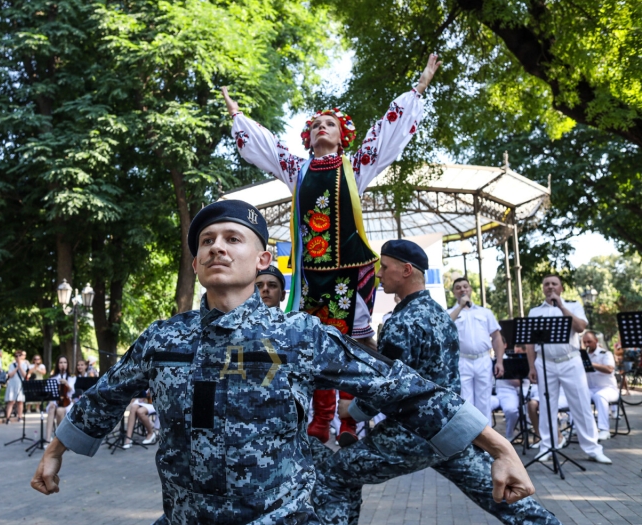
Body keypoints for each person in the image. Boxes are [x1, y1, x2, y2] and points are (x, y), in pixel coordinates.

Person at [31, 200, 536, 524]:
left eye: (232, 238)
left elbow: (399, 386)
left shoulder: (299, 335)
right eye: (206, 241)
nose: (217, 248)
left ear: (264, 259)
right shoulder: (163, 338)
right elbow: (107, 395)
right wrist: (55, 451)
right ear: (194, 263)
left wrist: (496, 446)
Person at [222, 54, 441, 446]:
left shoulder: (356, 166)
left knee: (352, 342)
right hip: (312, 273)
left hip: (351, 270)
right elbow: (268, 145)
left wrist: (419, 88)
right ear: (307, 138)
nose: (322, 127)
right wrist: (238, 116)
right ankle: (320, 419)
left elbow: (386, 134)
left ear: (343, 136)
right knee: (316, 342)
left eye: (331, 124)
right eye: (316, 125)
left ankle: (349, 422)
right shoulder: (297, 170)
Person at [313, 240, 559, 525]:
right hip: (450, 429)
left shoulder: (402, 321)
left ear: (406, 270)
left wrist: (351, 411)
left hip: (412, 433)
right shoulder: (440, 315)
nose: (379, 274)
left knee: (336, 473)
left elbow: (386, 388)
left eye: (385, 266)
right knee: (504, 495)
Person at [526, 274, 611, 464]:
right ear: (543, 288)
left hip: (570, 360)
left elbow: (580, 327)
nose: (550, 287)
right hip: (544, 361)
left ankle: (593, 448)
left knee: (581, 404)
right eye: (546, 284)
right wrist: (531, 366)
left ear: (561, 288)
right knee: (547, 406)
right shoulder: (535, 311)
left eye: (554, 284)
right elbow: (530, 343)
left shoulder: (573, 306)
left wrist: (562, 307)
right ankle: (547, 446)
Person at [449, 277, 504, 421]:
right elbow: (445, 327)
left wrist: (499, 361)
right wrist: (460, 307)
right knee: (465, 402)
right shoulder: (450, 312)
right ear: (454, 292)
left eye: (465, 286)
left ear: (471, 290)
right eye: (458, 287)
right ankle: (469, 440)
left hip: (483, 360)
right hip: (462, 360)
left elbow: (497, 337)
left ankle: (485, 441)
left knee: (484, 401)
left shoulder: (485, 312)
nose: (462, 289)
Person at [583, 330, 619, 441]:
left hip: (608, 389)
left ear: (596, 341)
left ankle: (604, 430)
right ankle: (579, 427)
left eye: (589, 341)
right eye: (585, 342)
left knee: (600, 396)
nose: (587, 345)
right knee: (577, 395)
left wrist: (590, 363)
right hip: (590, 389)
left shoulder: (606, 354)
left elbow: (609, 369)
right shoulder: (582, 356)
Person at [44, 355, 76, 443]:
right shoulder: (53, 378)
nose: (63, 364)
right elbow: (49, 393)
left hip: (67, 402)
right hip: (55, 401)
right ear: (57, 365)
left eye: (65, 362)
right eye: (61, 362)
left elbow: (72, 392)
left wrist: (67, 384)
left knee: (60, 411)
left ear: (67, 364)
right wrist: (51, 401)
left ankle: (60, 437)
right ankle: (47, 439)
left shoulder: (71, 377)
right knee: (51, 409)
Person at [5, 350, 29, 424]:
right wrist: (16, 367)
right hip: (12, 384)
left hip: (20, 384)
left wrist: (20, 366)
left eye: (19, 355)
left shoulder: (24, 365)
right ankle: (8, 418)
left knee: (20, 401)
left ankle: (20, 417)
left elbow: (25, 375)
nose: (18, 357)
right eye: (16, 356)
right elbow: (10, 375)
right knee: (11, 401)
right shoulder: (11, 365)